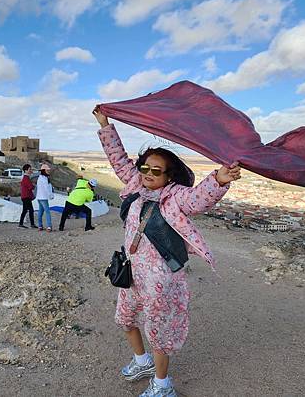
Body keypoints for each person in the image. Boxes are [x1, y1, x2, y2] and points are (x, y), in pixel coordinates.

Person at [93, 107, 241, 397]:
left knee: (159, 332)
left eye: (155, 170)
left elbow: (199, 198)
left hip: (162, 281)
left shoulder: (176, 197)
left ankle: (162, 385)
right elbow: (119, 161)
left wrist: (220, 179)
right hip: (133, 273)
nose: (147, 173)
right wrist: (105, 125)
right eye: (144, 167)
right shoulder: (136, 185)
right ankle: (142, 362)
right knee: (125, 319)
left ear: (169, 175)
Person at [35, 163, 54, 231]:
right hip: (43, 197)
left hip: (39, 197)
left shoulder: (39, 178)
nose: (48, 171)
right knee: (47, 212)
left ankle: (40, 226)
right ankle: (49, 226)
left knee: (40, 211)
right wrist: (50, 195)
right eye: (47, 170)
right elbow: (46, 188)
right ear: (44, 170)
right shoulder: (44, 178)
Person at [18, 164, 37, 228]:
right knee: (30, 210)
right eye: (29, 169)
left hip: (25, 196)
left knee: (26, 210)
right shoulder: (26, 178)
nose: (30, 170)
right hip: (26, 197)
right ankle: (31, 224)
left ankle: (22, 224)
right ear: (26, 170)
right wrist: (34, 185)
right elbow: (31, 187)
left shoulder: (26, 177)